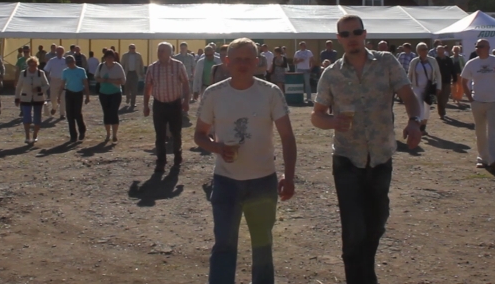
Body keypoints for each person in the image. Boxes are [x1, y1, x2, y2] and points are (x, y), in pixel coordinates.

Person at [311, 14, 422, 284]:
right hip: (347, 159)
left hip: (380, 156)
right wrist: (332, 121)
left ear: (364, 34)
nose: (351, 38)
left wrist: (414, 121)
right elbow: (317, 115)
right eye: (345, 34)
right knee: (353, 230)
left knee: (376, 223)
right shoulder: (331, 73)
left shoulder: (386, 62)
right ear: (339, 39)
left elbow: (408, 95)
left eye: (356, 32)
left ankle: (366, 272)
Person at [195, 38, 297, 284]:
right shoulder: (214, 94)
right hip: (226, 181)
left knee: (262, 246)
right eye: (237, 59)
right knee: (224, 245)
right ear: (227, 62)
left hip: (263, 181)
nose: (243, 64)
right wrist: (218, 148)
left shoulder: (270, 92)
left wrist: (289, 176)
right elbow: (199, 135)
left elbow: (287, 136)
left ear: (257, 62)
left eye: (248, 59)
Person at [461, 39, 495, 171]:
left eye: (481, 46)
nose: (478, 49)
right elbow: (463, 81)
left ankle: (494, 159)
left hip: (494, 102)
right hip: (477, 101)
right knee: (480, 131)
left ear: (488, 48)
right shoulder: (472, 63)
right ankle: (482, 158)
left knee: (494, 131)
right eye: (476, 46)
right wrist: (470, 98)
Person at [144, 42, 191, 172]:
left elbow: (186, 84)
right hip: (159, 105)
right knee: (160, 134)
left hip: (175, 104)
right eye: (159, 50)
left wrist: (186, 101)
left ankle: (177, 157)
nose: (160, 53)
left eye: (163, 50)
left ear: (170, 52)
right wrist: (145, 105)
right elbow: (148, 87)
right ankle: (161, 161)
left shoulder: (178, 65)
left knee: (176, 133)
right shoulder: (152, 68)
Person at [14, 56, 49, 145]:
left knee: (37, 117)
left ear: (37, 65)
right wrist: (17, 98)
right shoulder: (23, 73)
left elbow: (47, 85)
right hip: (25, 98)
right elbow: (18, 87)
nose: (32, 67)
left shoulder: (41, 73)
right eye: (30, 65)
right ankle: (27, 136)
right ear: (28, 65)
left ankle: (35, 135)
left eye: (34, 65)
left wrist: (39, 89)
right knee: (26, 117)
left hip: (38, 98)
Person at [408, 43, 441, 134]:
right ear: (418, 51)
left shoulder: (432, 60)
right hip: (417, 87)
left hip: (429, 88)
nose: (425, 51)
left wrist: (439, 87)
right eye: (422, 49)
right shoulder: (414, 61)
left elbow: (438, 74)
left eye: (426, 49)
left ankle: (423, 125)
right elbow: (409, 75)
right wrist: (408, 87)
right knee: (420, 107)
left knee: (427, 107)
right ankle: (420, 128)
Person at [95, 49, 126, 142]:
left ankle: (114, 134)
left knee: (114, 112)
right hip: (103, 93)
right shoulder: (101, 66)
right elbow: (96, 77)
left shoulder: (118, 67)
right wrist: (103, 80)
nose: (110, 59)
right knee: (106, 113)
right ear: (105, 58)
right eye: (108, 57)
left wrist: (111, 80)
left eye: (111, 57)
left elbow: (123, 81)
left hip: (115, 93)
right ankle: (108, 134)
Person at [62, 55, 91, 142]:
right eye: (68, 63)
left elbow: (85, 83)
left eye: (71, 62)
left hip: (78, 93)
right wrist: (59, 95)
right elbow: (62, 84)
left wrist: (87, 96)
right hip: (69, 93)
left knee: (77, 113)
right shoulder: (65, 71)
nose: (70, 64)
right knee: (69, 115)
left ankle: (82, 130)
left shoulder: (81, 70)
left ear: (74, 62)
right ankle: (73, 135)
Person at [44, 46, 68, 119]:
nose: (59, 53)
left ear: (63, 52)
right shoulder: (52, 60)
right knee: (53, 97)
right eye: (58, 51)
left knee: (63, 98)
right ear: (56, 52)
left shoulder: (66, 60)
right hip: (54, 80)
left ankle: (62, 114)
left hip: (63, 81)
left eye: (61, 51)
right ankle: (54, 107)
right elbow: (46, 70)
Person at [434, 45, 455, 119]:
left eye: (441, 50)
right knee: (440, 98)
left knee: (446, 96)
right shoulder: (435, 60)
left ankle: (443, 108)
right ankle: (441, 113)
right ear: (437, 51)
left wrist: (454, 78)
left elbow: (452, 69)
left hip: (447, 81)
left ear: (444, 51)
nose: (440, 52)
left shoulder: (448, 60)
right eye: (438, 51)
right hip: (438, 82)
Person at [121, 44, 145, 109]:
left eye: (134, 48)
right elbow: (122, 65)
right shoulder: (125, 55)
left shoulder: (138, 55)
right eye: (132, 48)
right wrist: (121, 73)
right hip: (127, 73)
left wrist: (142, 72)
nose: (133, 49)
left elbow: (141, 64)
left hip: (135, 73)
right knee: (127, 87)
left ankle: (133, 102)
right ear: (129, 48)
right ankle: (128, 97)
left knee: (134, 88)